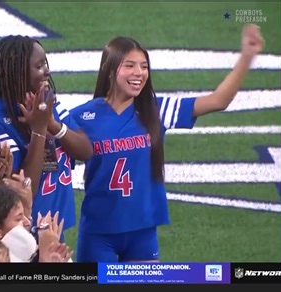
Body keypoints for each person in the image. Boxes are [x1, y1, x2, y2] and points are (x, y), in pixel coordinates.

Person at [69, 24, 264, 262]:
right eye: (129, 65)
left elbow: (218, 100)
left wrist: (246, 57)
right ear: (109, 69)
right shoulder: (82, 116)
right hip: (99, 232)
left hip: (143, 231)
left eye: (144, 66)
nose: (138, 73)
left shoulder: (157, 109)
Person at [0, 35, 93, 235]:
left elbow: (85, 150)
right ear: (16, 72)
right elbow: (24, 191)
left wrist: (52, 124)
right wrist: (40, 130)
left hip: (54, 229)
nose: (47, 71)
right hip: (22, 233)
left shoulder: (47, 103)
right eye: (39, 65)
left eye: (46, 63)